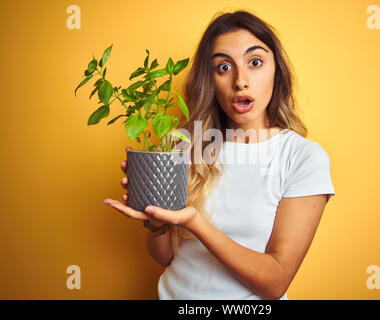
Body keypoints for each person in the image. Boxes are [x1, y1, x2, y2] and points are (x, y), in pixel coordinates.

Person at [103, 10, 335, 300]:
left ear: (277, 70)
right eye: (223, 68)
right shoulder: (186, 146)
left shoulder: (303, 158)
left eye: (255, 62)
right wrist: (157, 222)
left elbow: (275, 283)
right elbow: (164, 257)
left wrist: (193, 222)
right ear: (209, 80)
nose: (240, 81)